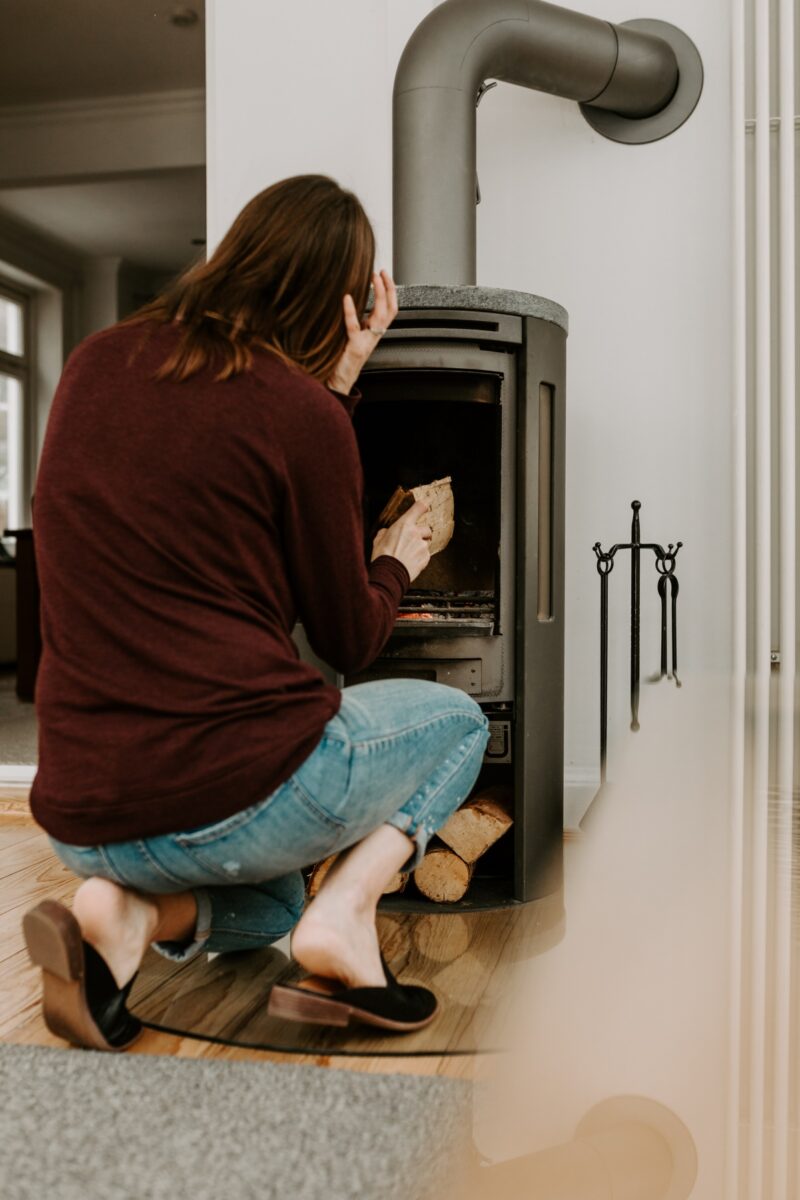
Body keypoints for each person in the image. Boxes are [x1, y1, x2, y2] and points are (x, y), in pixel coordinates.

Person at [22, 174, 491, 1050]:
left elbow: (233, 480)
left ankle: (121, 916)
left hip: (85, 812)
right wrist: (392, 563)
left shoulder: (94, 364)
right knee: (461, 722)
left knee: (272, 901)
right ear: (340, 302)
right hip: (228, 799)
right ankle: (347, 920)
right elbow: (348, 637)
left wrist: (337, 388)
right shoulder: (297, 411)